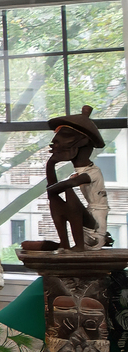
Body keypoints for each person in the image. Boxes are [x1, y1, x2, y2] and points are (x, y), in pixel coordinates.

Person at [44, 105, 111, 251]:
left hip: (95, 233)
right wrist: (51, 163)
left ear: (81, 143)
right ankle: (64, 243)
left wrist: (53, 186)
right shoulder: (81, 172)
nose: (54, 143)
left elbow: (57, 187)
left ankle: (79, 246)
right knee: (55, 199)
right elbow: (52, 192)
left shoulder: (92, 173)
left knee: (67, 189)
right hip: (85, 224)